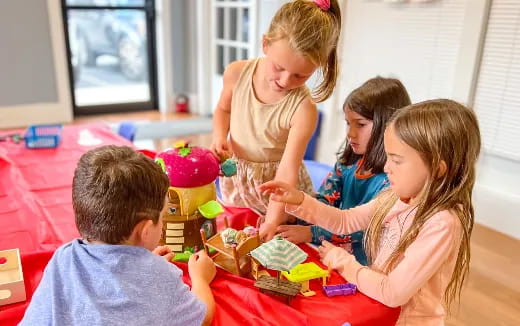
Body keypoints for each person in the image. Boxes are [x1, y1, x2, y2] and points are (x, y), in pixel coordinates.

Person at [259, 99, 481, 325]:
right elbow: (345, 221)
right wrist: (299, 199)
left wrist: (343, 261)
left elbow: (393, 292)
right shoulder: (396, 198)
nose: (386, 168)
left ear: (437, 168)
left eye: (396, 160)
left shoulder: (441, 224)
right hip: (378, 308)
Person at [20, 145, 216, 326]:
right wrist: (200, 279)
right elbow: (203, 316)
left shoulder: (63, 257)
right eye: (163, 216)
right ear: (145, 230)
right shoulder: (161, 276)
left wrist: (141, 267)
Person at [210, 0, 342, 241]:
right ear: (265, 44)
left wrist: (272, 220)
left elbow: (287, 171)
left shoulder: (303, 109)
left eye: (300, 76)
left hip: (278, 191)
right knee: (234, 236)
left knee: (274, 244)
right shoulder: (236, 74)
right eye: (278, 67)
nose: (284, 80)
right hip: (239, 178)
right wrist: (220, 136)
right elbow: (222, 109)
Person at [277, 77, 411, 266]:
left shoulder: (393, 182)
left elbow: (365, 229)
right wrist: (295, 215)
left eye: (360, 124)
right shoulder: (347, 163)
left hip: (364, 267)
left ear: (387, 125)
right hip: (330, 251)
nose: (350, 133)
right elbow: (325, 201)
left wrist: (311, 233)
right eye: (348, 123)